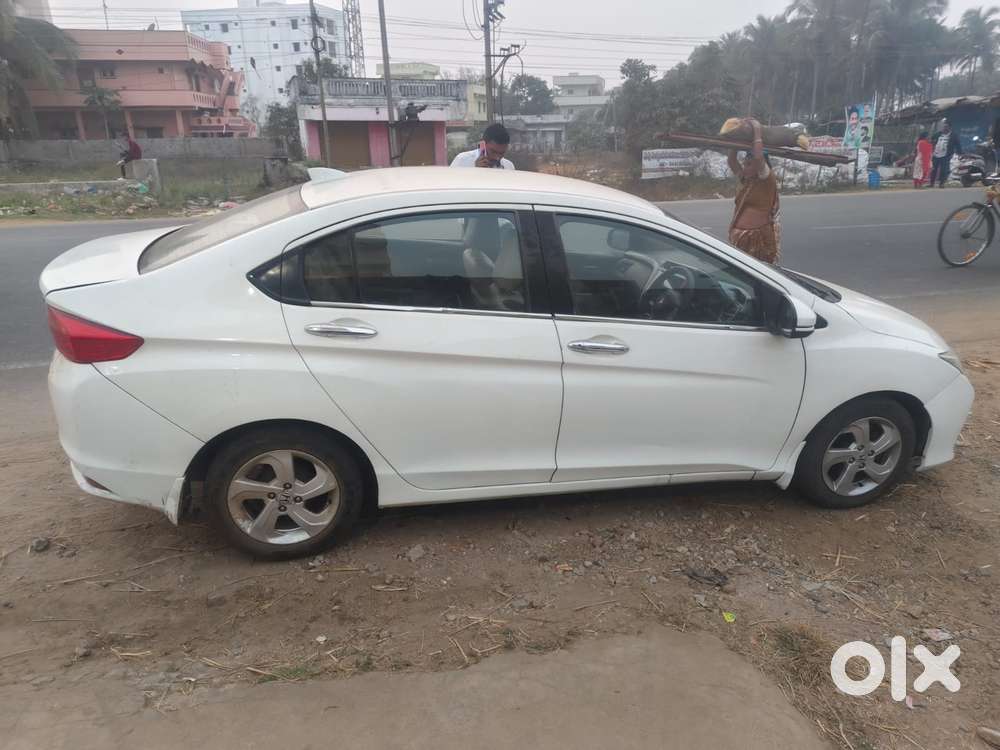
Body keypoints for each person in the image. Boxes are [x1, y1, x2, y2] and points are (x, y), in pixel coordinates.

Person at [727, 118, 781, 264]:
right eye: (745, 163)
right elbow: (732, 161)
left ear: (759, 165)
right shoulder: (747, 180)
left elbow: (758, 157)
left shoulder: (766, 179)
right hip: (740, 239)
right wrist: (736, 140)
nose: (745, 167)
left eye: (749, 164)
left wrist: (757, 130)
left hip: (758, 241)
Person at [450, 123, 515, 169]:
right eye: (493, 152)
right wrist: (474, 171)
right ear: (483, 144)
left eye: (501, 153)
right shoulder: (462, 160)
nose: (497, 157)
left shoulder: (508, 166)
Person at [929, 119, 961, 188]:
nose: (944, 128)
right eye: (944, 127)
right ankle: (931, 183)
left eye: (946, 127)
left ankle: (942, 183)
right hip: (935, 155)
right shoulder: (938, 134)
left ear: (949, 127)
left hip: (946, 155)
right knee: (933, 169)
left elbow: (958, 145)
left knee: (944, 170)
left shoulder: (953, 136)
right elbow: (931, 141)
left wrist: (960, 153)